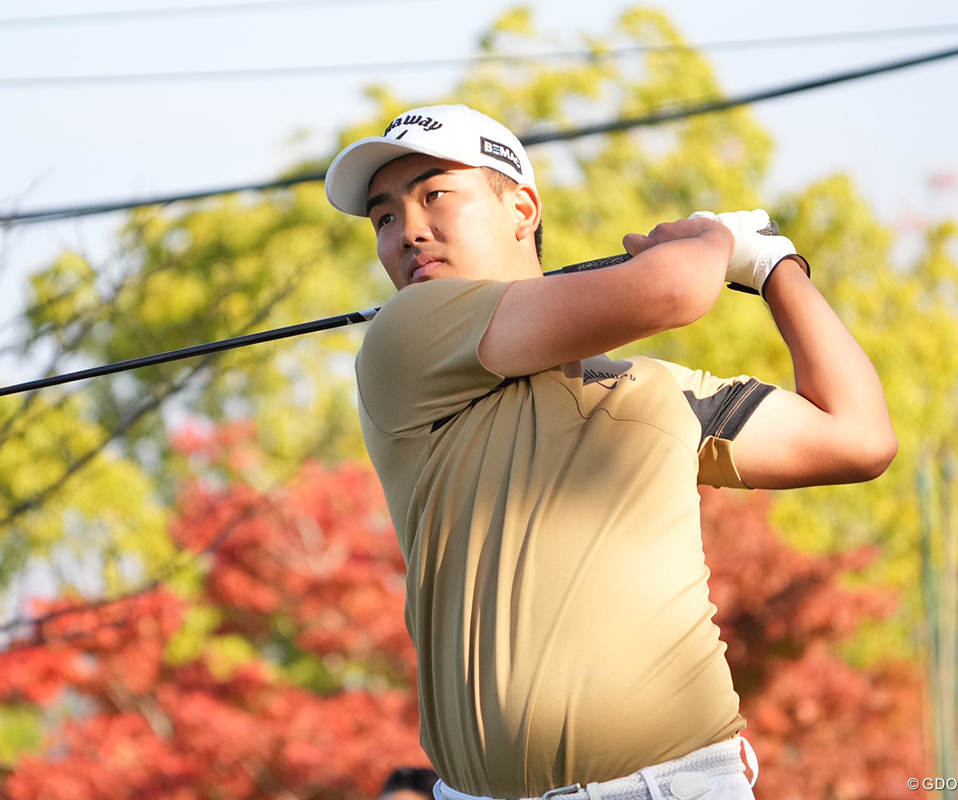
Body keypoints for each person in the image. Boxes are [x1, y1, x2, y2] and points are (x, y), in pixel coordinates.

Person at [324, 104, 897, 800]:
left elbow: (859, 438)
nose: (408, 230)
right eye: (384, 217)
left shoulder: (661, 391)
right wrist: (715, 239)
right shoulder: (407, 335)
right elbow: (675, 288)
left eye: (434, 194)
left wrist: (776, 266)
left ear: (521, 207)